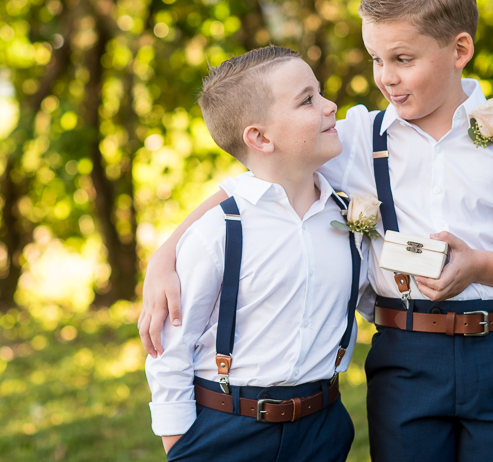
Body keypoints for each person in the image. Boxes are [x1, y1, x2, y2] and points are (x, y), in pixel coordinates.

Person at [140, 0, 493, 462]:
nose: (385, 77)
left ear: (459, 50)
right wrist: (168, 250)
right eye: (375, 60)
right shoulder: (356, 139)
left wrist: (482, 266)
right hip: (405, 357)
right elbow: (259, 184)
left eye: (402, 59)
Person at [145, 45, 373, 462]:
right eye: (308, 100)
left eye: (320, 93)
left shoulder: (348, 221)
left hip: (322, 428)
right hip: (227, 429)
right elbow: (171, 350)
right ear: (260, 137)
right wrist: (181, 446)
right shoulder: (220, 231)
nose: (329, 106)